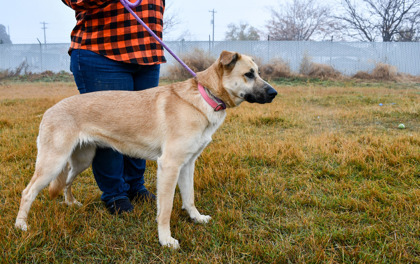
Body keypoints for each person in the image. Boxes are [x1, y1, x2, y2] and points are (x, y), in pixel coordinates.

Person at [62, 0, 166, 214]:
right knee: (108, 127)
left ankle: (135, 184)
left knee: (141, 126)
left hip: (147, 53)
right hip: (101, 51)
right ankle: (115, 193)